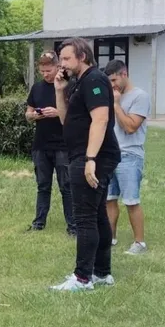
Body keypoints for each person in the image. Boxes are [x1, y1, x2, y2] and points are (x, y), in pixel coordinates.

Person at [49, 37, 121, 292]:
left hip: (93, 157)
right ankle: (102, 273)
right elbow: (67, 120)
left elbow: (100, 120)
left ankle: (82, 278)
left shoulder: (95, 79)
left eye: (67, 58)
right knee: (98, 214)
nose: (62, 64)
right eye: (61, 59)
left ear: (82, 56)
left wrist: (90, 159)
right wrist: (60, 91)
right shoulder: (79, 83)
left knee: (85, 217)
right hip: (85, 155)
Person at [25, 49, 75, 236]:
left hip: (62, 144)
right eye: (43, 71)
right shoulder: (36, 88)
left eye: (49, 70)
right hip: (41, 145)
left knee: (66, 187)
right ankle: (39, 223)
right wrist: (34, 115)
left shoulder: (66, 86)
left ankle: (73, 226)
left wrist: (57, 112)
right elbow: (27, 114)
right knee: (43, 186)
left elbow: (75, 113)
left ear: (57, 66)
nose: (46, 74)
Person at [104, 59, 150, 255]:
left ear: (124, 74)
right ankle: (109, 238)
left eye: (114, 79)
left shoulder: (140, 96)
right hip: (110, 155)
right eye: (109, 81)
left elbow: (130, 127)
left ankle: (139, 243)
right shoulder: (110, 95)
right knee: (109, 199)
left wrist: (115, 104)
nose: (112, 85)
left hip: (130, 155)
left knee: (131, 200)